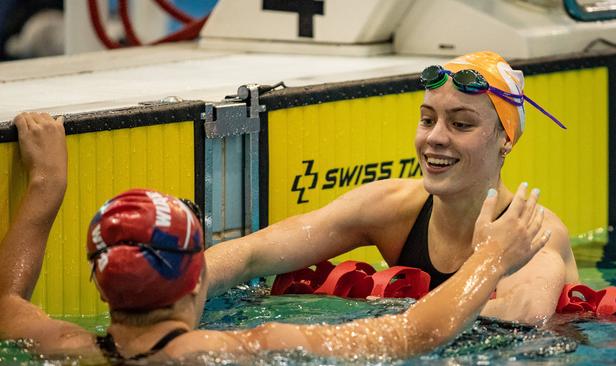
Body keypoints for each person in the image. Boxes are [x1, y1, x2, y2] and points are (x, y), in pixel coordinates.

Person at [0, 112, 549, 362]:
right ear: (197, 279)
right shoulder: (242, 350)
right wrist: (494, 255)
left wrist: (47, 183)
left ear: (102, 289)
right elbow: (416, 334)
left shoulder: (61, 345)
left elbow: (7, 301)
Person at [204, 51, 579, 325]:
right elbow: (254, 254)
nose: (435, 138)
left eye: (461, 125)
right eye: (427, 119)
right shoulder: (393, 208)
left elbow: (524, 318)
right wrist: (175, 284)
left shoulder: (533, 233)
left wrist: (383, 308)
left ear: (505, 140)